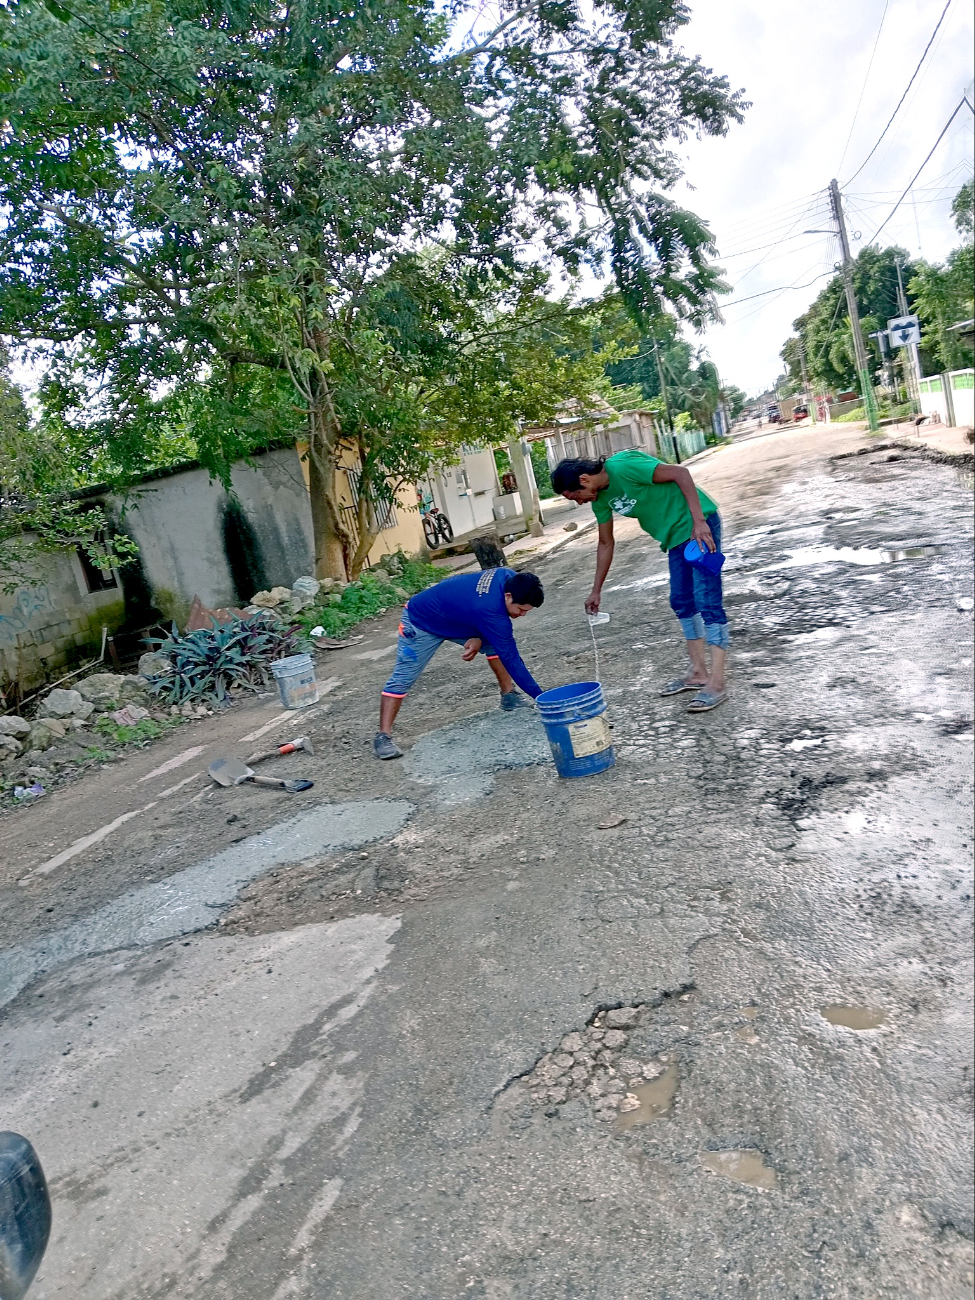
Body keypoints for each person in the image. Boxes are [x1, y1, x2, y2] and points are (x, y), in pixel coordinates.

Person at [551, 449, 729, 712]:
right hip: (674, 538)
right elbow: (605, 542)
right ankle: (698, 673)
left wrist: (699, 521)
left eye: (574, 495)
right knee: (681, 601)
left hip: (698, 527)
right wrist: (596, 590)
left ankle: (717, 682)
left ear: (585, 479)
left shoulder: (622, 467)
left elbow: (681, 473)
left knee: (707, 600)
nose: (578, 502)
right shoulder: (601, 499)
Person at [374, 567, 545, 759]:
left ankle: (509, 696)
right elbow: (512, 659)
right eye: (521, 609)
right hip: (421, 621)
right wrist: (542, 698)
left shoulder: (509, 578)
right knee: (404, 677)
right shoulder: (490, 610)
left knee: (495, 645)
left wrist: (477, 637)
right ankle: (383, 736)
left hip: (457, 616)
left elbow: (469, 599)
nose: (522, 615)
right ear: (507, 596)